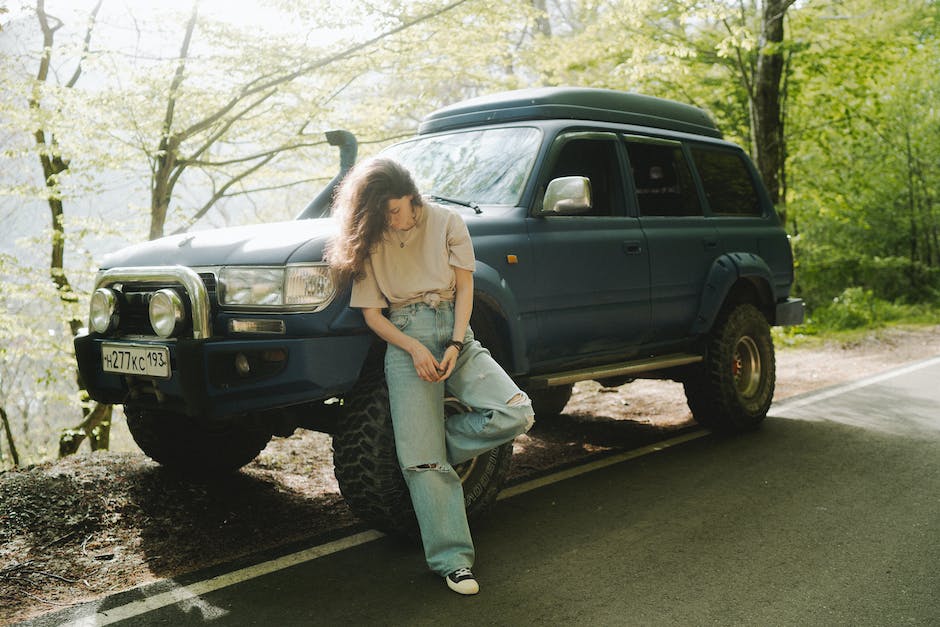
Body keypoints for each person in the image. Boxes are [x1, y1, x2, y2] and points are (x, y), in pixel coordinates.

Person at [326, 157, 535, 595]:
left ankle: (428, 449)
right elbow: (372, 314)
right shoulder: (371, 236)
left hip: (457, 333)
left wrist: (456, 344)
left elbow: (465, 288)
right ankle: (453, 561)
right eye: (385, 214)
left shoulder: (447, 222)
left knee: (516, 413)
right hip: (406, 340)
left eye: (399, 210)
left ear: (413, 197)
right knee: (423, 464)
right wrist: (414, 348)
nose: (395, 221)